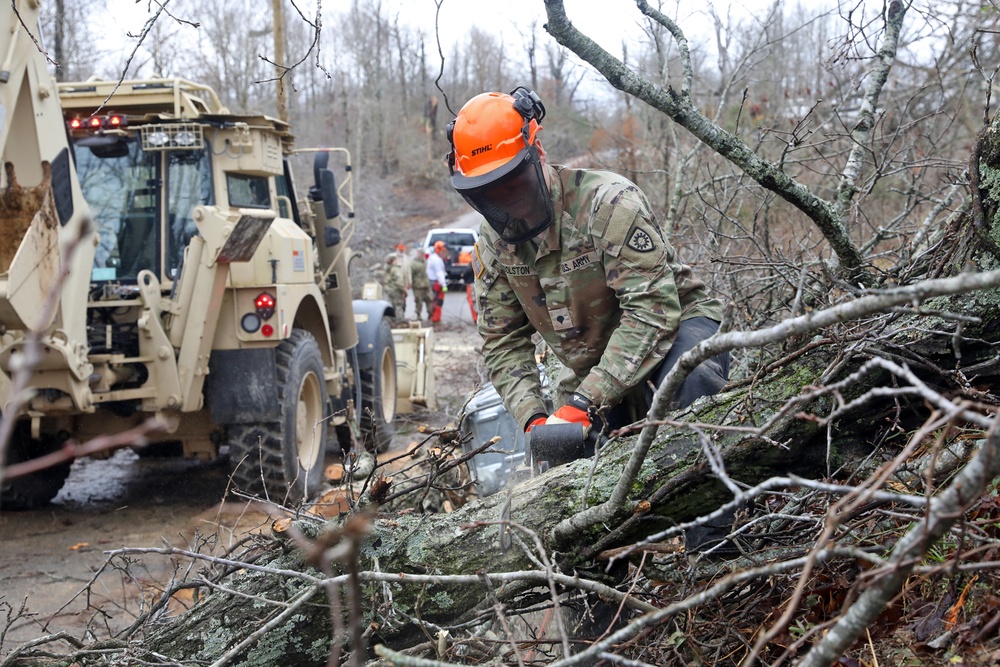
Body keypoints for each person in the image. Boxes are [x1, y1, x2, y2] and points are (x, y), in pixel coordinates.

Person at [447, 86, 730, 439]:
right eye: (491, 190)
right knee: (564, 453)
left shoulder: (608, 204)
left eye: (513, 182)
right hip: (591, 364)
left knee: (689, 380)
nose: (507, 200)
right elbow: (503, 342)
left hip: (676, 326)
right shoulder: (493, 244)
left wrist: (586, 401)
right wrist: (534, 418)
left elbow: (652, 310)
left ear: (536, 152)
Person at [410, 242, 434, 321]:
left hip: (426, 285)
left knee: (429, 301)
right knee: (418, 302)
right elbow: (411, 275)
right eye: (420, 253)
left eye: (422, 253)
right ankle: (418, 316)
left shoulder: (426, 261)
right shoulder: (413, 263)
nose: (421, 255)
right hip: (418, 286)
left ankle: (430, 316)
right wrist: (411, 284)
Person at [426, 239, 448, 324]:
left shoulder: (432, 257)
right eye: (443, 251)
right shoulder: (437, 260)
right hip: (435, 282)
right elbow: (439, 273)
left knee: (434, 300)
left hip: (432, 281)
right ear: (439, 250)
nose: (444, 253)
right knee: (437, 301)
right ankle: (434, 318)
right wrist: (444, 284)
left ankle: (433, 317)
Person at [383, 252, 407, 323]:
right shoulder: (396, 269)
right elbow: (399, 282)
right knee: (399, 305)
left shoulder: (387, 268)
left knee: (392, 304)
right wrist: (404, 290)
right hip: (396, 290)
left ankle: (391, 320)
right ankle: (400, 321)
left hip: (389, 289)